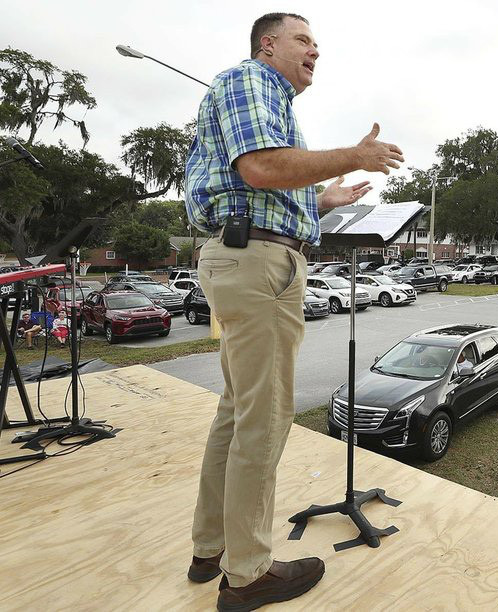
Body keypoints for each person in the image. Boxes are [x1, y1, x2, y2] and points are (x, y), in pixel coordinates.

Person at [184, 12, 404, 609]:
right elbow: (261, 167)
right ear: (268, 43)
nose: (315, 51)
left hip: (246, 254)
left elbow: (266, 180)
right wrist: (351, 157)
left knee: (238, 410)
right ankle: (248, 572)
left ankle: (212, 549)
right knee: (267, 415)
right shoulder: (250, 82)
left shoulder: (270, 99)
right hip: (257, 263)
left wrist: (324, 197)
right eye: (304, 40)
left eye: (317, 43)